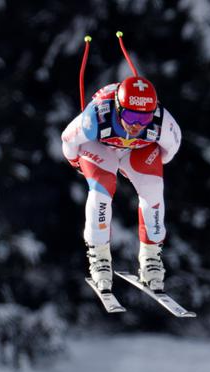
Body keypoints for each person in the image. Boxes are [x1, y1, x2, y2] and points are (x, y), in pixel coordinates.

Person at [61, 76, 182, 293]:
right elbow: (68, 140)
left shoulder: (162, 123)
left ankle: (151, 258)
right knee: (102, 189)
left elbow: (170, 150)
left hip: (137, 151)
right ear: (118, 108)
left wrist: (144, 169)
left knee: (153, 189)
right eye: (131, 115)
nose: (136, 124)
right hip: (99, 147)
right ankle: (99, 258)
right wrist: (75, 162)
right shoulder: (95, 117)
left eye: (144, 118)